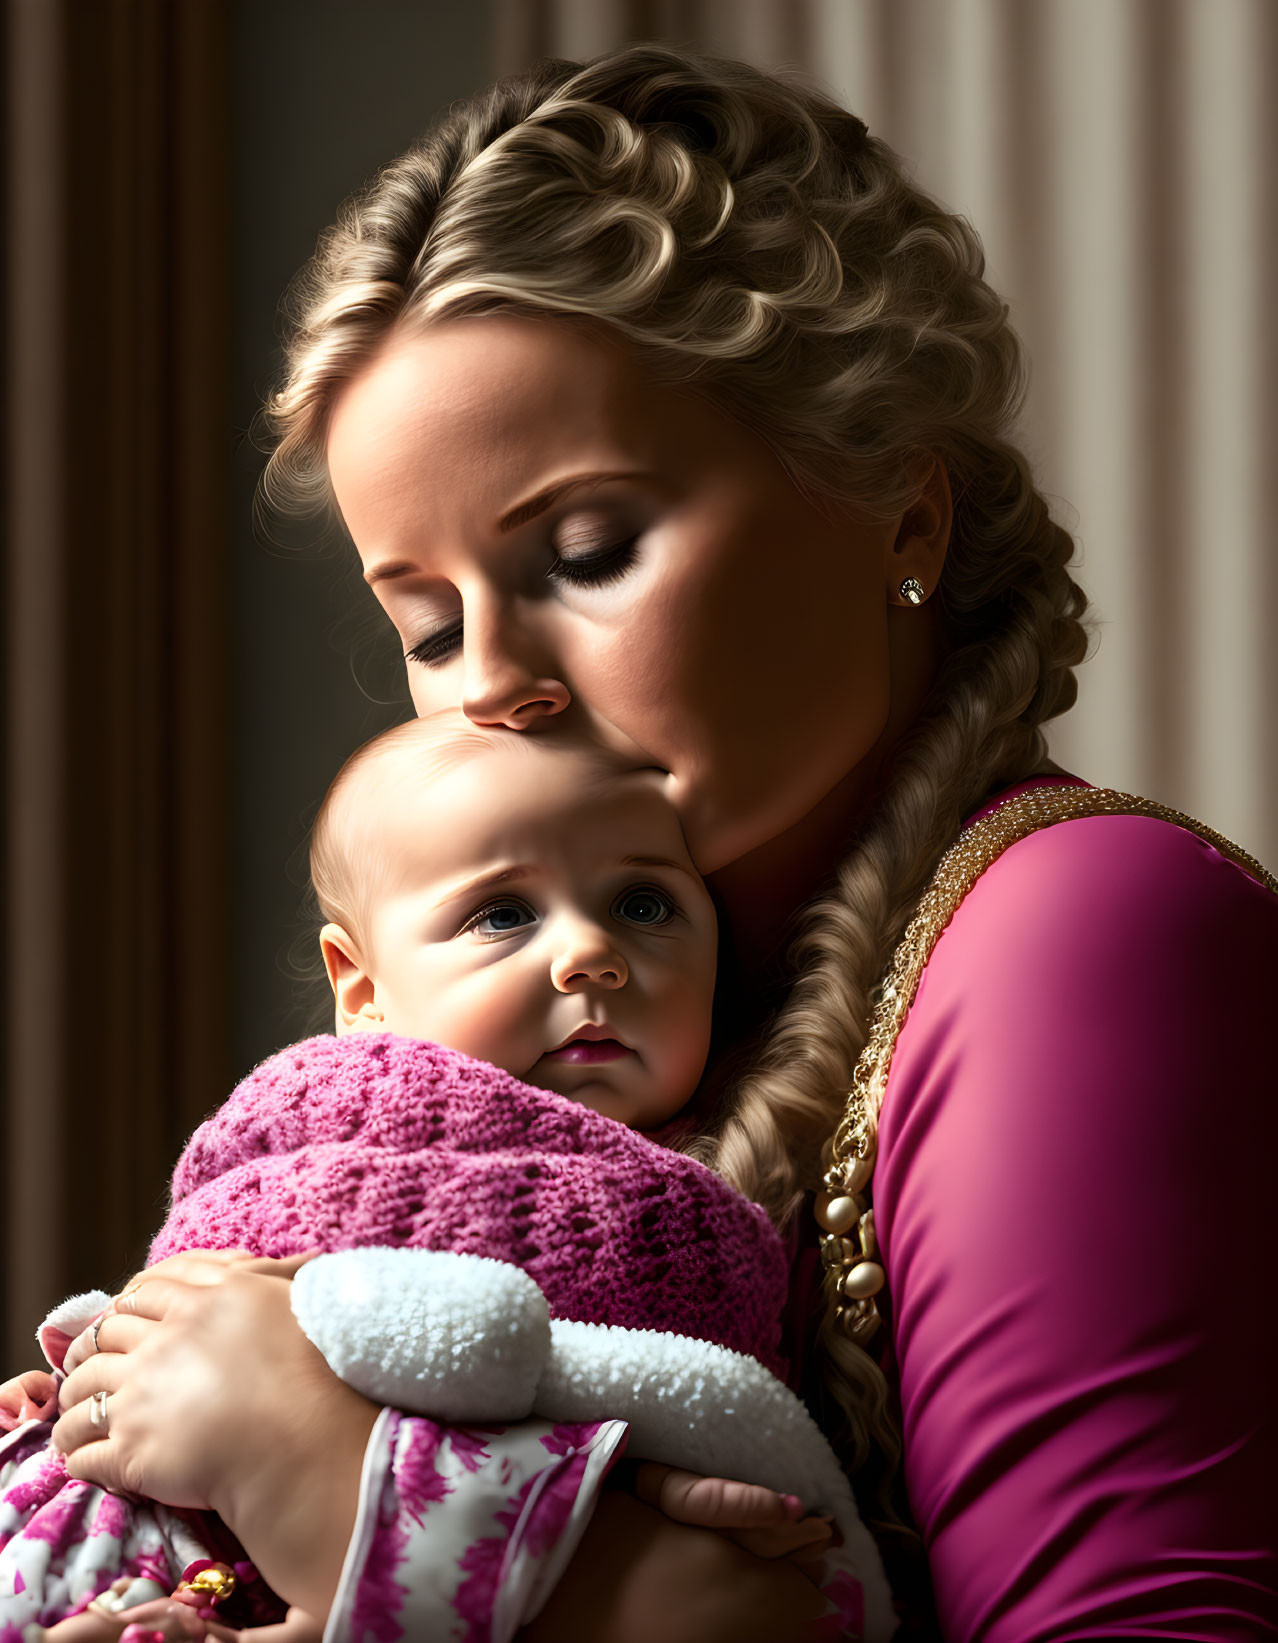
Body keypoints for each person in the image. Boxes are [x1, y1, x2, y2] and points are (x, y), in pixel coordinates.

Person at [42, 40, 1278, 1643]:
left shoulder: (1079, 931)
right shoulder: (579, 1047)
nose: (489, 683)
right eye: (424, 621)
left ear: (900, 510)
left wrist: (329, 1466)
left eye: (586, 549)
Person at [2, 713, 888, 1640]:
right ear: (361, 989)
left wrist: (631, 1483)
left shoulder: (723, 1215)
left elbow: (660, 1405)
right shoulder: (309, 1129)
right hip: (143, 1525)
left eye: (643, 903)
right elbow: (195, 1302)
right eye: (504, 913)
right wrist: (77, 1377)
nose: (593, 951)